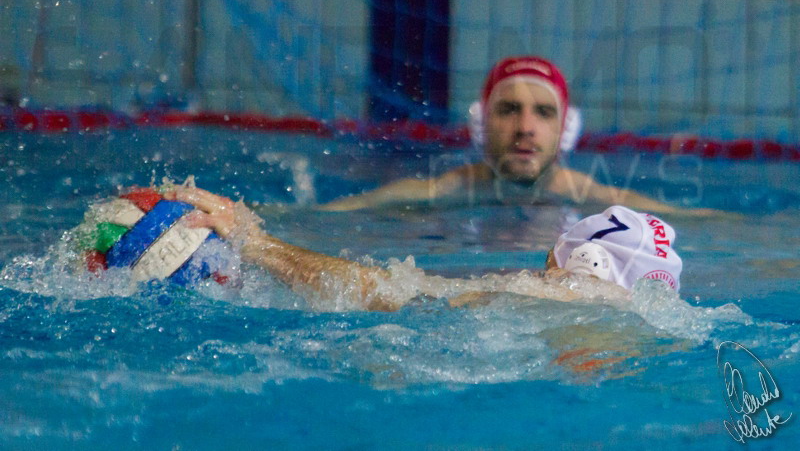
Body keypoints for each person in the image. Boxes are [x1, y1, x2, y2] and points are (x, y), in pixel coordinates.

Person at [164, 186, 683, 312]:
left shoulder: (540, 296)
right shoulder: (669, 330)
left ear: (568, 261)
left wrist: (255, 242)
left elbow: (380, 292)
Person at [320, 56, 706, 214]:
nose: (525, 127)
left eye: (543, 112)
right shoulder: (435, 194)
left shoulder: (605, 204)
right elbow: (326, 217)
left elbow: (701, 222)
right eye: (508, 110)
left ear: (566, 129)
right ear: (481, 123)